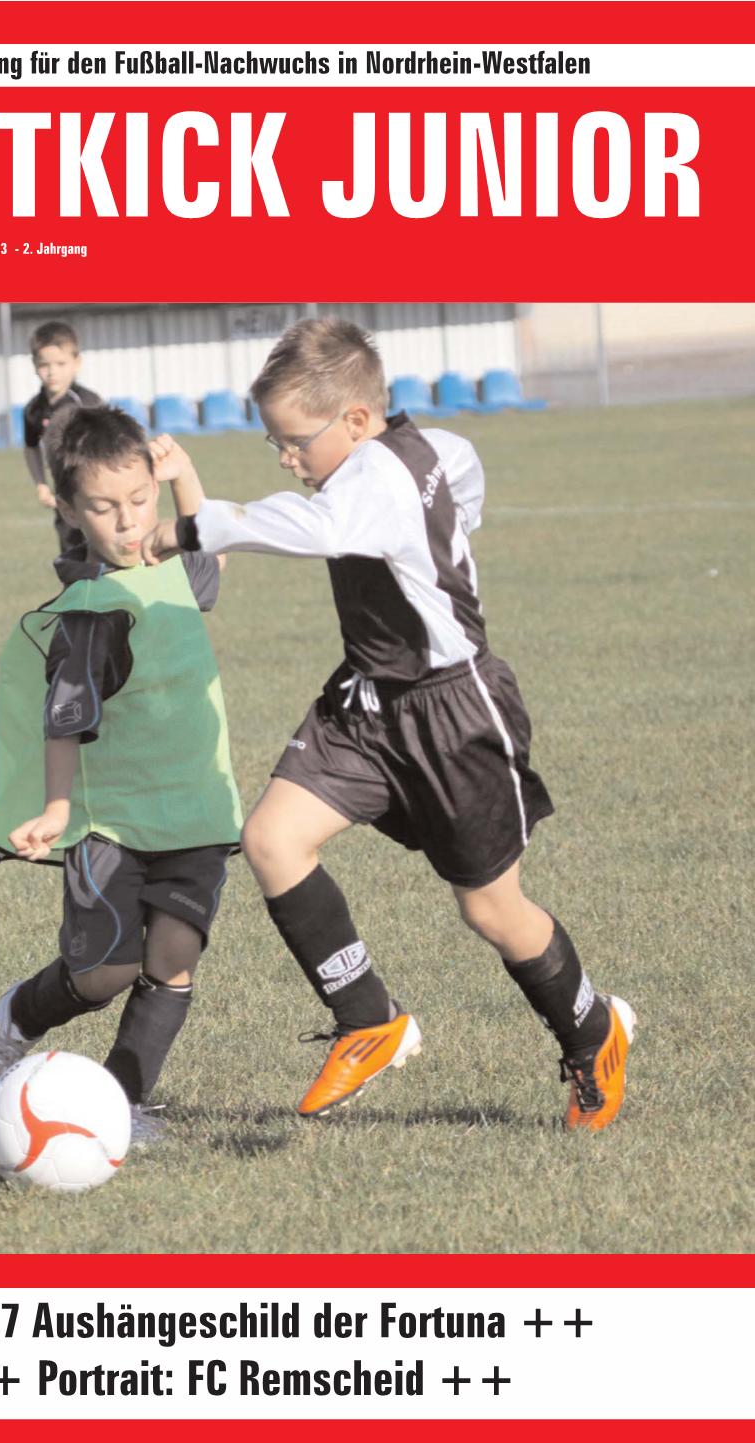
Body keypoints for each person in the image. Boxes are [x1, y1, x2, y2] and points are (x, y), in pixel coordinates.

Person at [141, 317, 635, 1132]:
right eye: (274, 443)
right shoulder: (435, 445)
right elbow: (465, 483)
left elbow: (325, 529)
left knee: (491, 910)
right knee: (270, 838)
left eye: (294, 442)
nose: (287, 459)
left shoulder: (367, 485)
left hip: (453, 711)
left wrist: (191, 526)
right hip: (368, 700)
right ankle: (368, 1017)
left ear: (358, 422)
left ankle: (592, 1031)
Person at [0, 408, 242, 1142]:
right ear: (67, 509)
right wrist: (58, 808)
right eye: (104, 507)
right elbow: (66, 718)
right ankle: (14, 1020)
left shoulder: (175, 571)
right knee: (104, 975)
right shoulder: (89, 610)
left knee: (175, 955)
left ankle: (121, 1103)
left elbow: (213, 560)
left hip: (198, 807)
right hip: (113, 818)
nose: (128, 521)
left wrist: (187, 481)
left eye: (140, 499)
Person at [22, 319, 103, 557]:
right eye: (44, 364)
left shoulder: (88, 403)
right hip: (64, 499)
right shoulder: (33, 410)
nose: (52, 371)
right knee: (71, 558)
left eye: (60, 363)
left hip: (97, 495)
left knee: (103, 557)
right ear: (34, 364)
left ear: (76, 363)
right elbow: (31, 447)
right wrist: (41, 484)